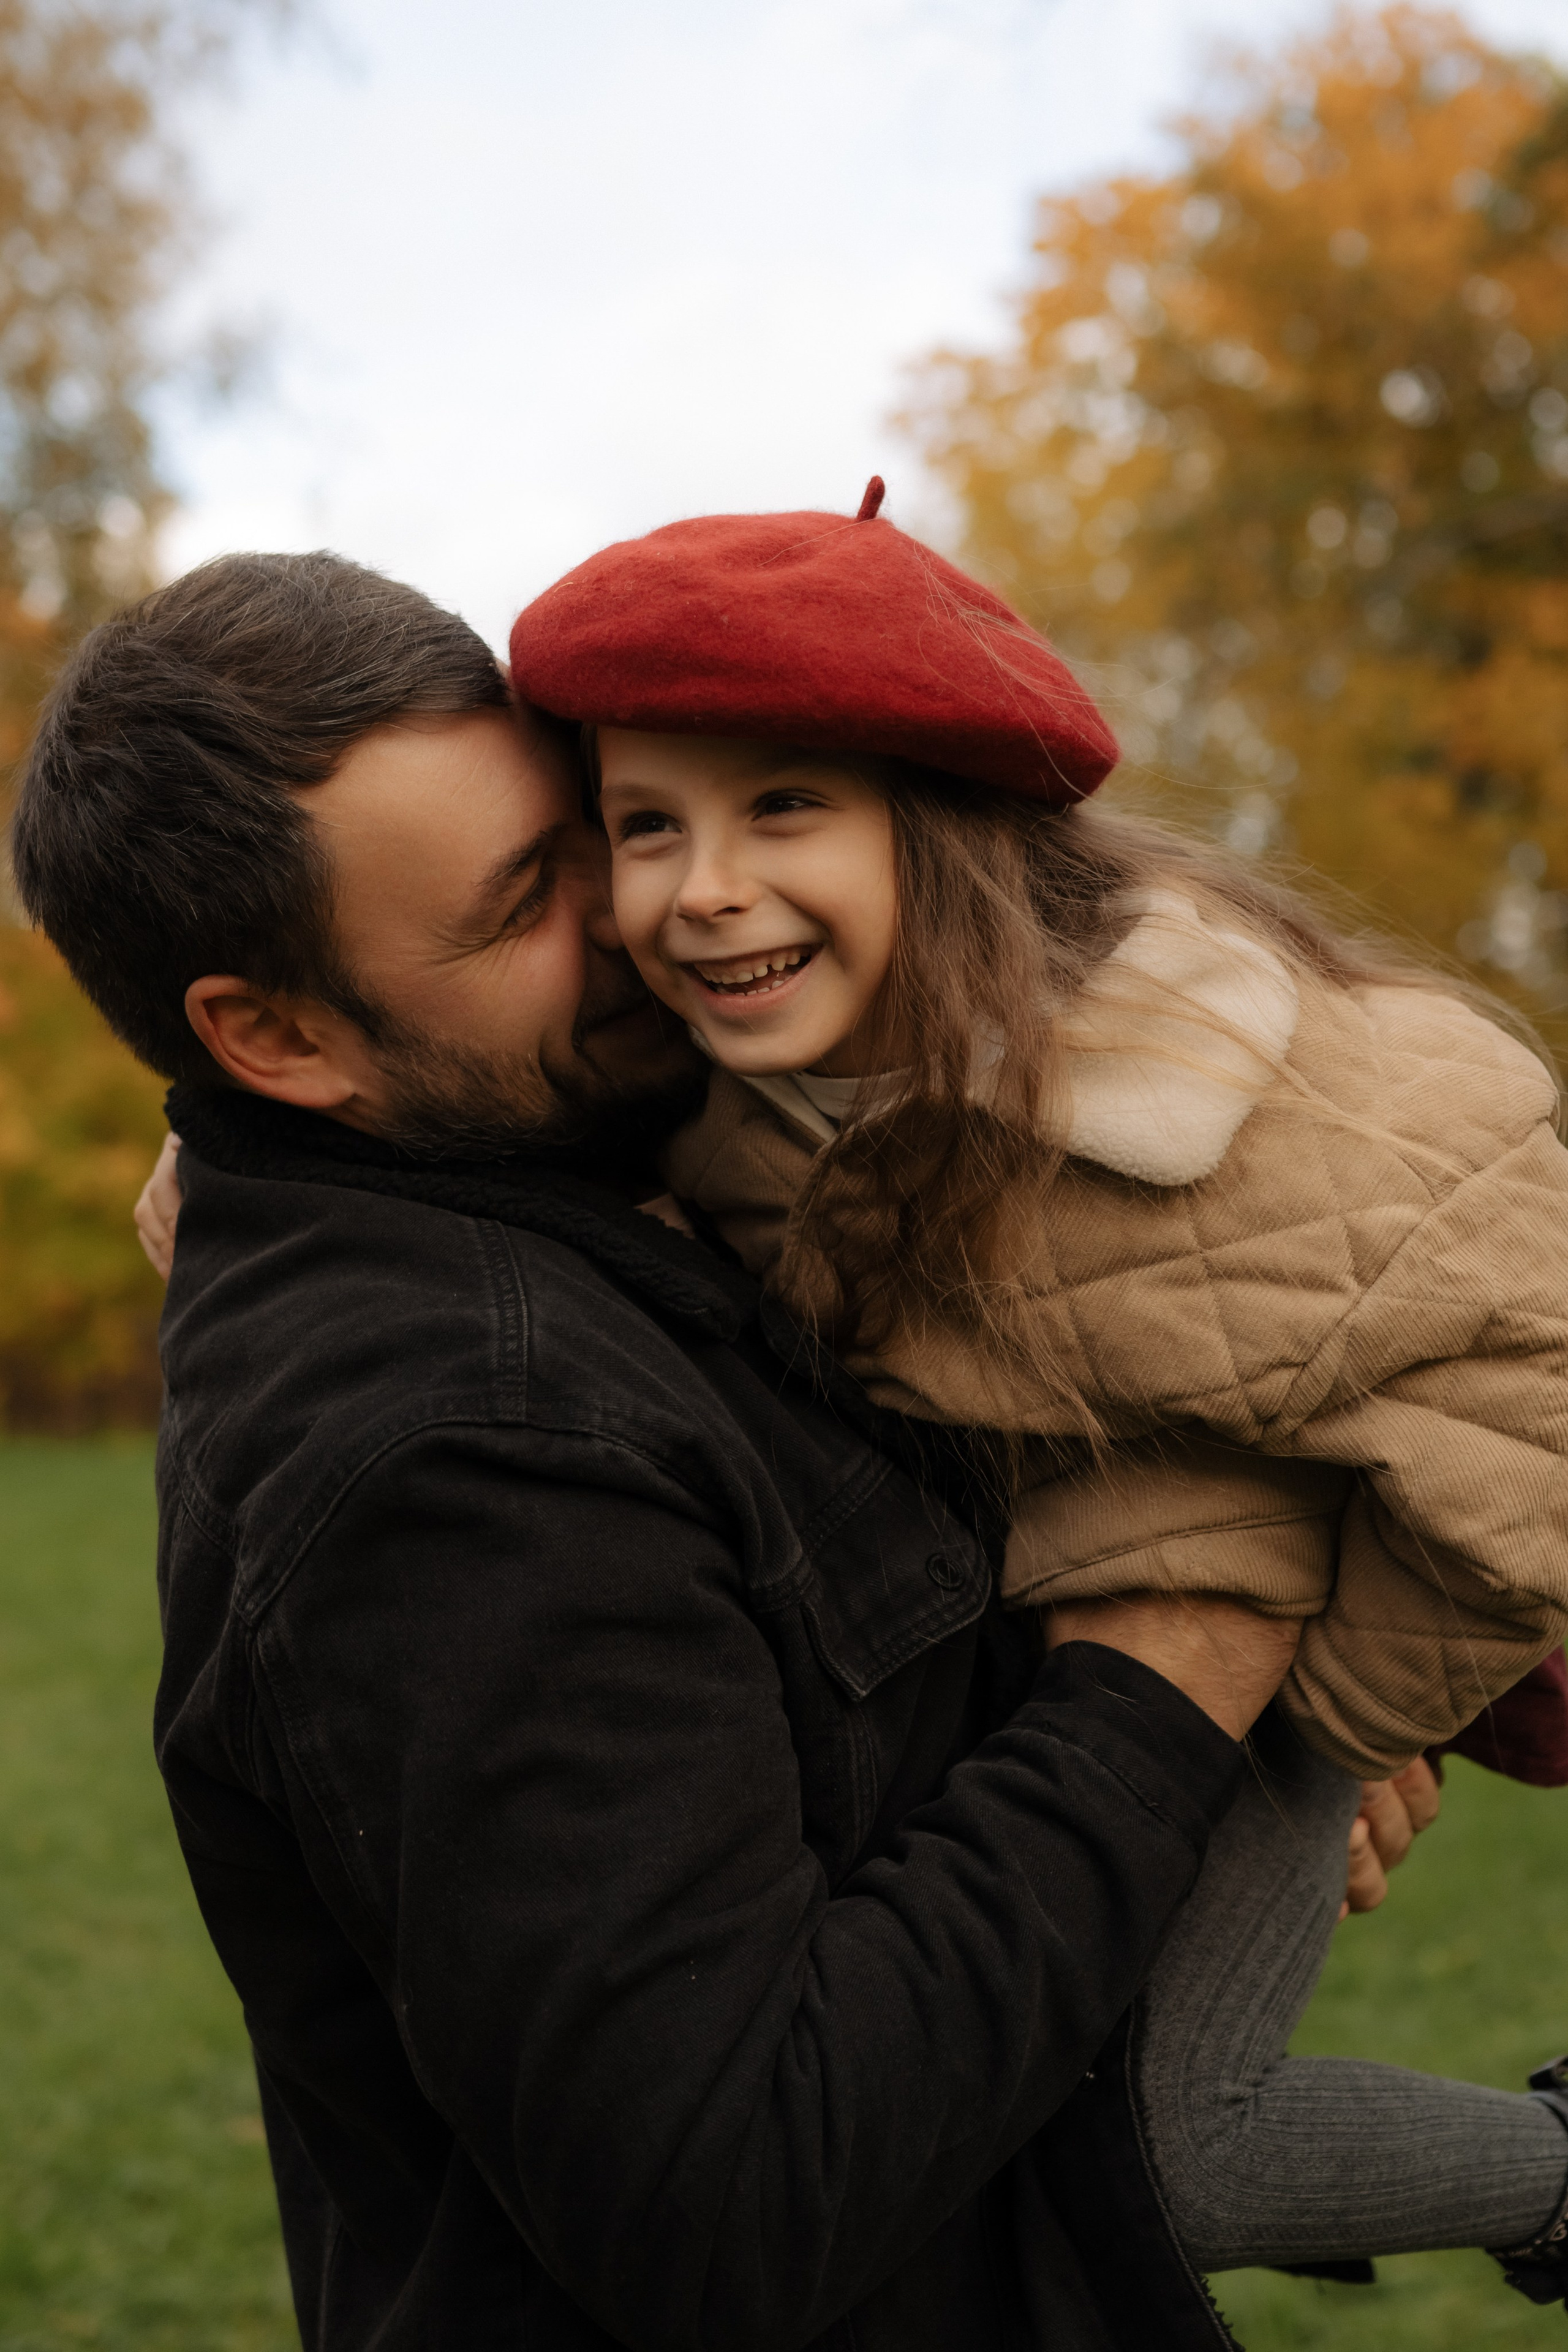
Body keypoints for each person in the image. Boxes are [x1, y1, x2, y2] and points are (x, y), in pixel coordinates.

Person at [11, 546, 1351, 2352]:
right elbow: (736, 2193)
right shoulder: (460, 1451)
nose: (653, 917)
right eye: (518, 911)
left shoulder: (591, 1191)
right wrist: (1176, 1674)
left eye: (601, 836)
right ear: (277, 1035)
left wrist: (1226, 1756)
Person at [505, 480, 1568, 2310]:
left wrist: (1331, 1720)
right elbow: (541, 1154)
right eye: (645, 827)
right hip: (1073, 1643)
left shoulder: (1252, 1092)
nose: (708, 888)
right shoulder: (744, 1094)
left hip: (1285, 1620)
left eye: (785, 807)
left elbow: (1538, 1410)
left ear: (942, 826)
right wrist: (252, 1171)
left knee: (1174, 2147)